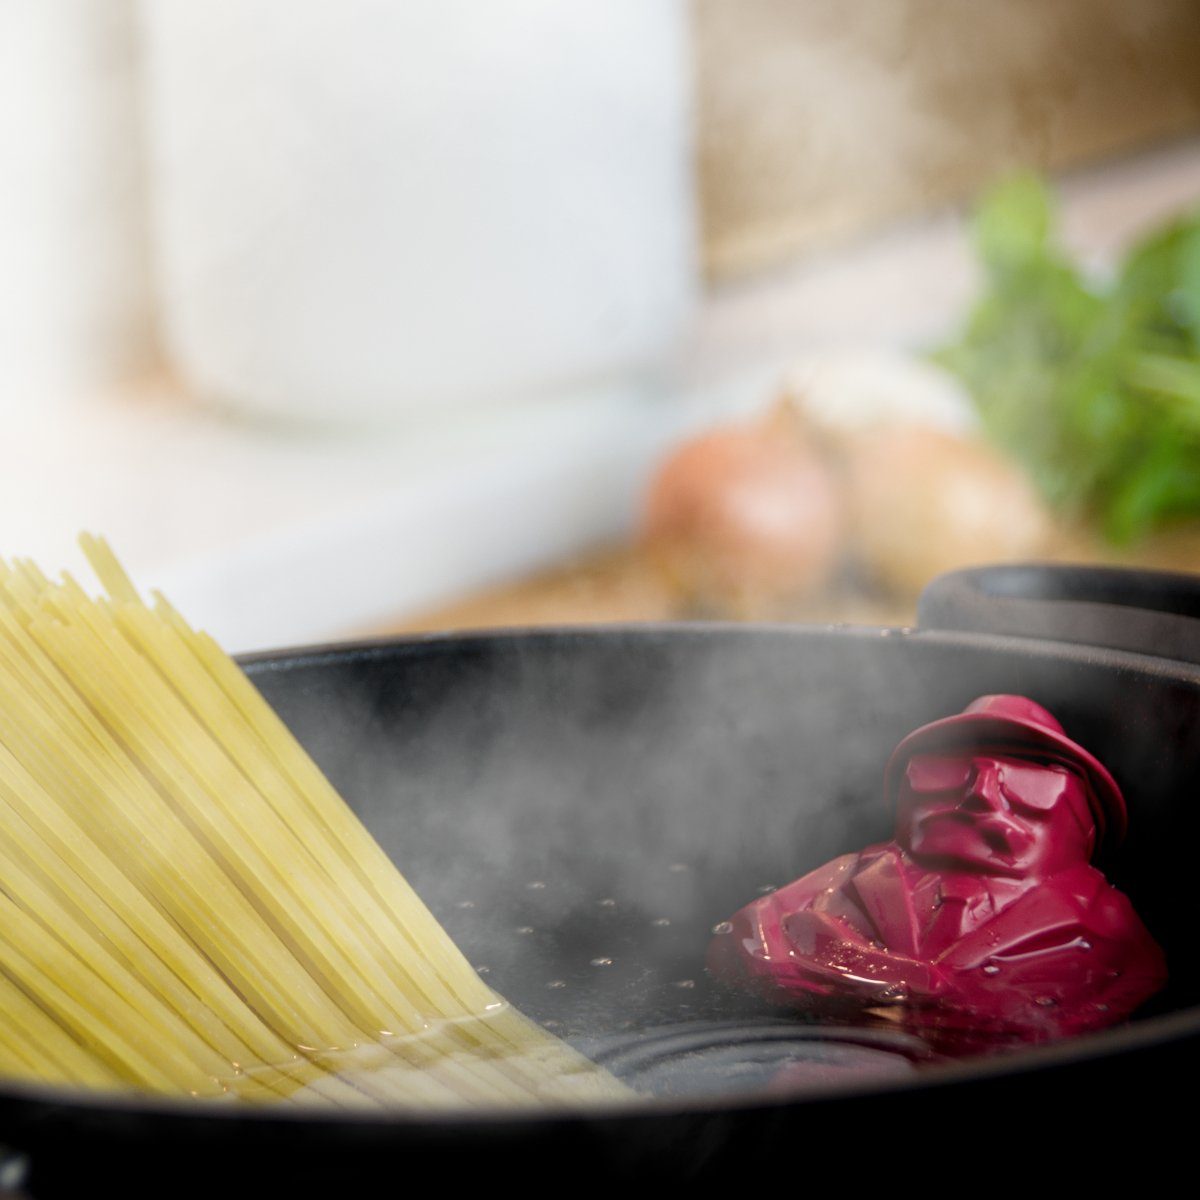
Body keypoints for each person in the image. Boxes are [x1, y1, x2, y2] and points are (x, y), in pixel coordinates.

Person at [707, 695, 1167, 1048]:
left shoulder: (1103, 919)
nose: (981, 796)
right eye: (948, 773)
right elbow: (744, 941)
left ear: (1079, 817)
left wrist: (892, 982)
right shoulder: (856, 872)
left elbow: (1083, 1017)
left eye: (1026, 786)